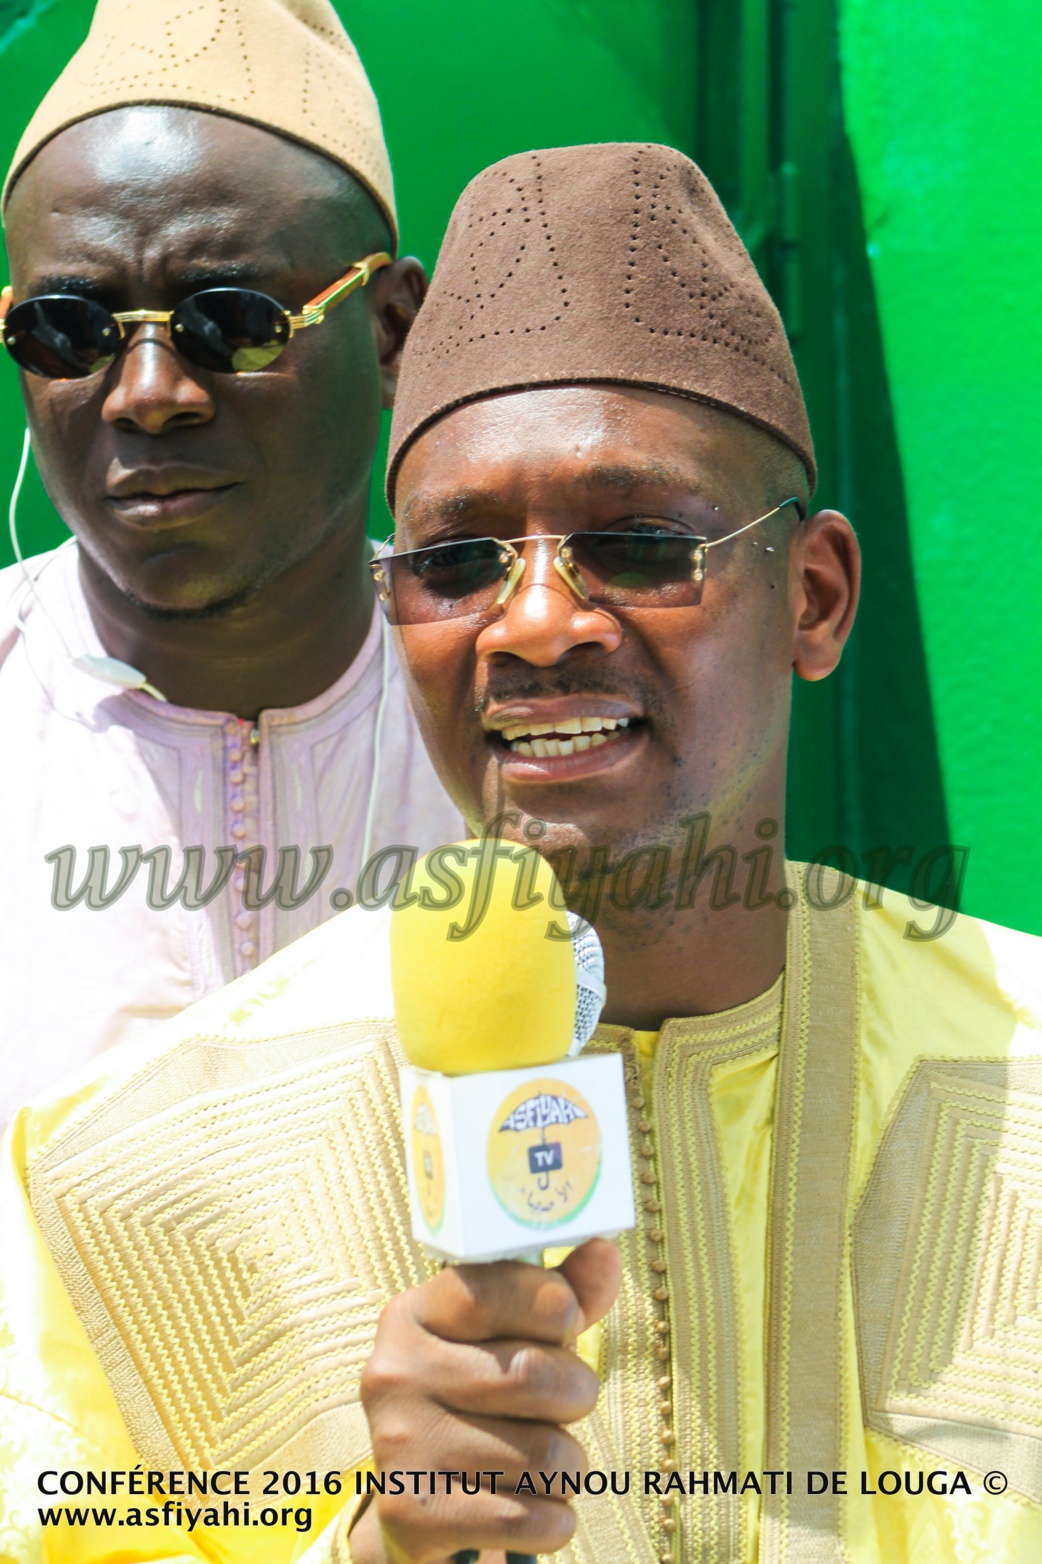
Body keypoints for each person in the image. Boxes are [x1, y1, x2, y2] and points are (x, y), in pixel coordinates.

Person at [1, 142, 1039, 1564]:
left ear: (810, 598)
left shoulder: (1021, 1077)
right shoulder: (129, 1182)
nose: (536, 620)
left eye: (633, 541)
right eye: (456, 559)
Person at [0, 0, 460, 1124]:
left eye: (232, 319)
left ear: (393, 330)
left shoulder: (517, 707)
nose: (149, 392)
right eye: (70, 328)